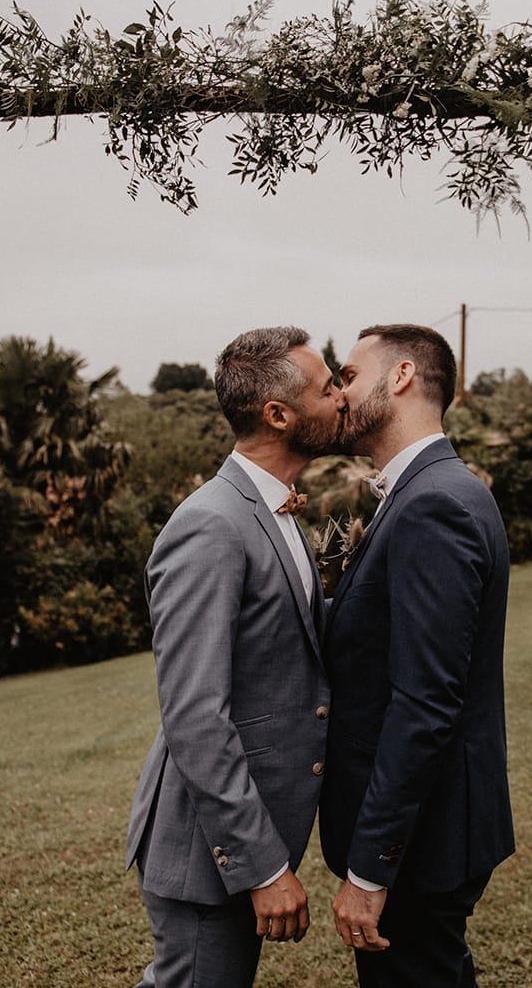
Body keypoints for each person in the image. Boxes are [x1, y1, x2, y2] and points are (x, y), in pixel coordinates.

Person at [125, 326, 345, 988]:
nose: (342, 398)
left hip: (231, 848)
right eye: (328, 386)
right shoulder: (211, 524)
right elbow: (195, 714)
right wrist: (262, 866)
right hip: (206, 854)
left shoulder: (273, 510)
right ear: (278, 414)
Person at [319, 324, 515, 987]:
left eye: (347, 376)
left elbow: (425, 702)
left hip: (420, 843)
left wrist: (372, 867)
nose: (338, 395)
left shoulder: (434, 505)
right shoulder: (433, 491)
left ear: (400, 377)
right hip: (435, 828)